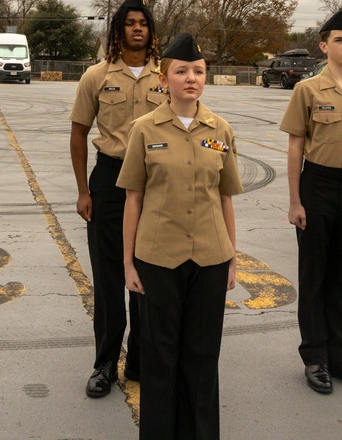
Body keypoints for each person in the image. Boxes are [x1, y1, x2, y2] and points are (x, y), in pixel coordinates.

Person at [118, 33, 241, 440]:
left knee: (203, 358)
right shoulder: (143, 129)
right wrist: (128, 263)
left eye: (199, 71)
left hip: (209, 258)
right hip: (158, 260)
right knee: (159, 358)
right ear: (164, 76)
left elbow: (225, 197)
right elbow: (133, 198)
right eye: (182, 71)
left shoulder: (220, 129)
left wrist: (232, 257)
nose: (191, 78)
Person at [280, 9, 342, 394]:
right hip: (318, 186)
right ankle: (315, 357)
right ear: (324, 46)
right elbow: (295, 148)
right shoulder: (307, 90)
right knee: (315, 275)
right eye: (340, 40)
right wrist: (295, 200)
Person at [69, 0, 165, 397]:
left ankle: (142, 361)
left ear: (151, 29)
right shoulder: (97, 75)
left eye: (143, 23)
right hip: (108, 183)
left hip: (158, 185)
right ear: (118, 30)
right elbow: (78, 132)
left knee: (149, 275)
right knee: (109, 279)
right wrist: (82, 191)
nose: (137, 29)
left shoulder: (169, 74)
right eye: (130, 23)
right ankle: (106, 361)